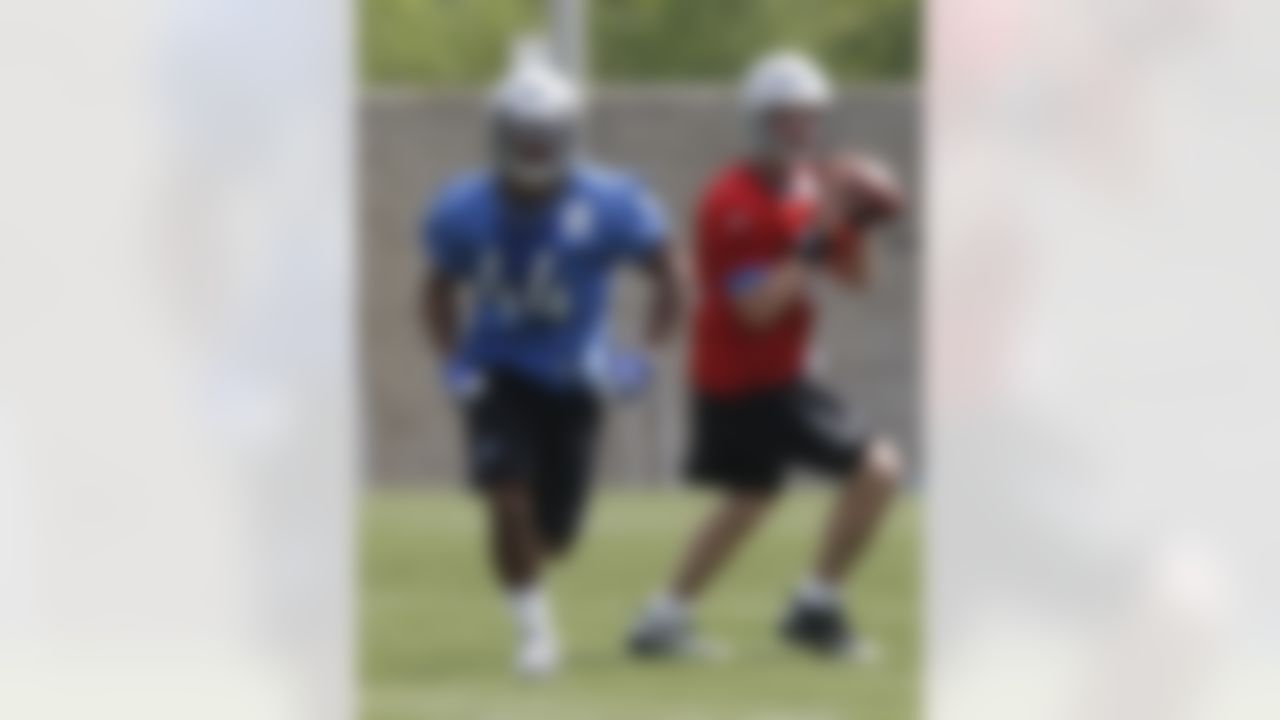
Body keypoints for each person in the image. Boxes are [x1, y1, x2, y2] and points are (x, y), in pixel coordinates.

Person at [627, 50, 904, 660]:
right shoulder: (731, 202)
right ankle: (815, 606)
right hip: (748, 375)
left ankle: (662, 618)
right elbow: (757, 310)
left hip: (772, 372)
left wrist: (856, 220)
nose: (802, 130)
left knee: (753, 495)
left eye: (810, 118)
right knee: (879, 470)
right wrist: (819, 229)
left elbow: (858, 279)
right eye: (787, 119)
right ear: (758, 121)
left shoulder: (810, 190)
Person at [418, 52, 681, 677]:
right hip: (498, 372)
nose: (535, 147)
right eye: (523, 134)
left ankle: (527, 569)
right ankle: (535, 636)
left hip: (574, 378)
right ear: (500, 131)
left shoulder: (613, 201)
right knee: (506, 498)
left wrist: (643, 355)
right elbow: (436, 289)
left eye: (548, 135)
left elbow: (671, 274)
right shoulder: (461, 208)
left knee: (555, 535)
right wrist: (453, 360)